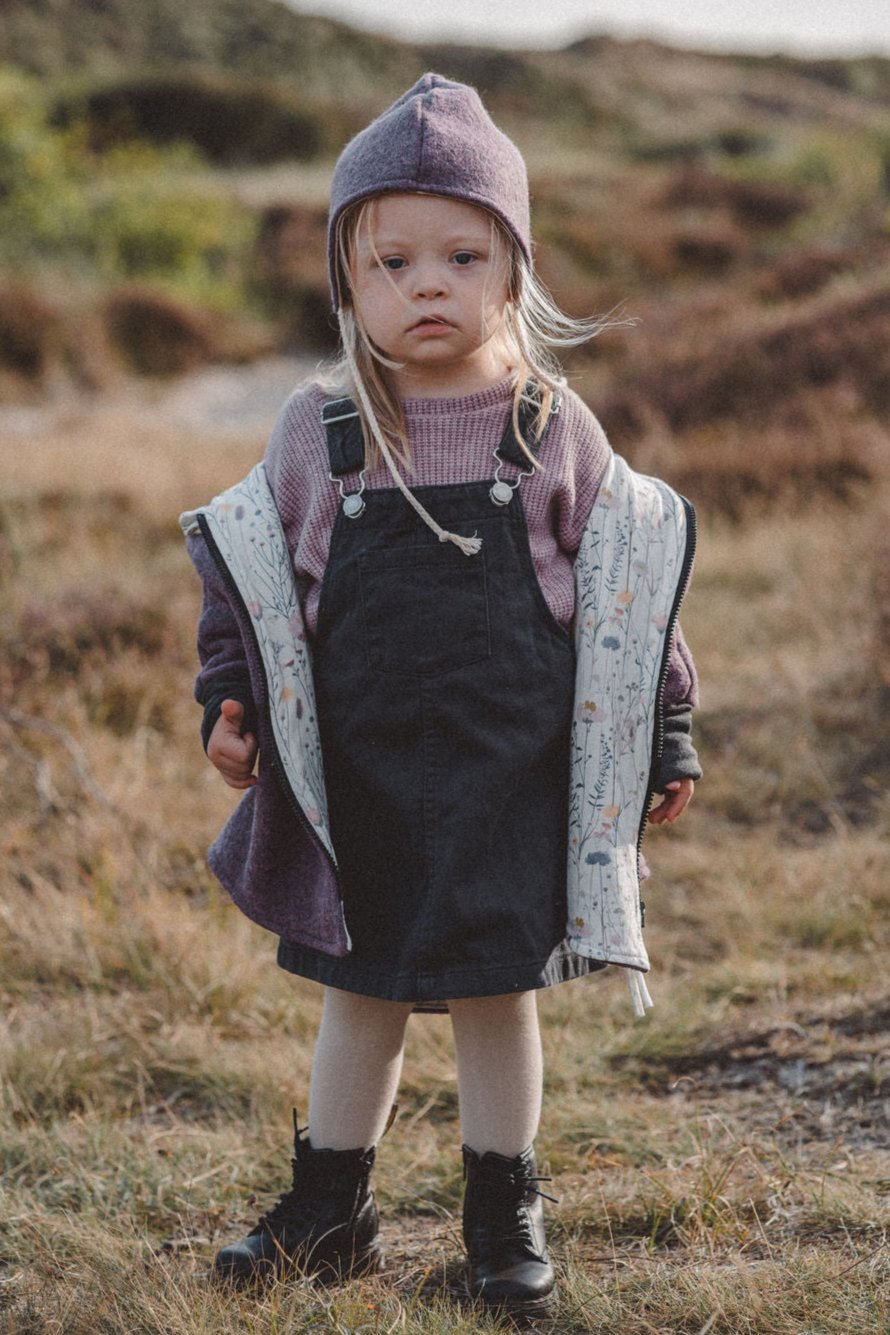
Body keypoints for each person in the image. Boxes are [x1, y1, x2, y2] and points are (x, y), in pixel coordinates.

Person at [180, 72, 702, 1316]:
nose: (427, 284)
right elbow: (252, 580)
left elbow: (630, 587)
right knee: (358, 995)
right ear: (346, 285)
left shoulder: (547, 426)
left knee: (490, 994)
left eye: (462, 255)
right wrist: (228, 697)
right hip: (358, 774)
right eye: (392, 261)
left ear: (511, 273)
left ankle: (499, 1214)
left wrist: (666, 725)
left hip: (506, 774)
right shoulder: (320, 432)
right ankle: (328, 1209)